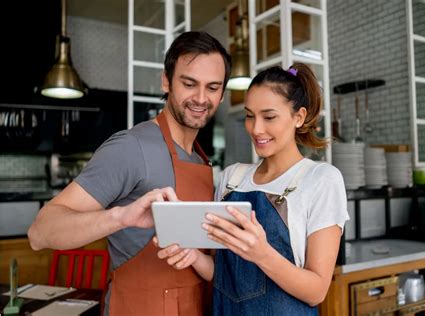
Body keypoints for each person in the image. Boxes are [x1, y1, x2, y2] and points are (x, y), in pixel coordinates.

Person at [27, 31, 231, 316]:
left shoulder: (201, 159)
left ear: (222, 94)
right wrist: (120, 216)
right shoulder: (131, 147)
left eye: (212, 87)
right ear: (166, 81)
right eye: (189, 83)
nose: (200, 98)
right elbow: (40, 232)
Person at [158, 63, 349, 315]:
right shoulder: (232, 178)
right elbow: (224, 275)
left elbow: (316, 291)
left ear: (299, 117)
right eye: (250, 116)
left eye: (269, 117)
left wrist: (261, 254)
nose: (256, 129)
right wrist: (193, 255)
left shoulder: (321, 179)